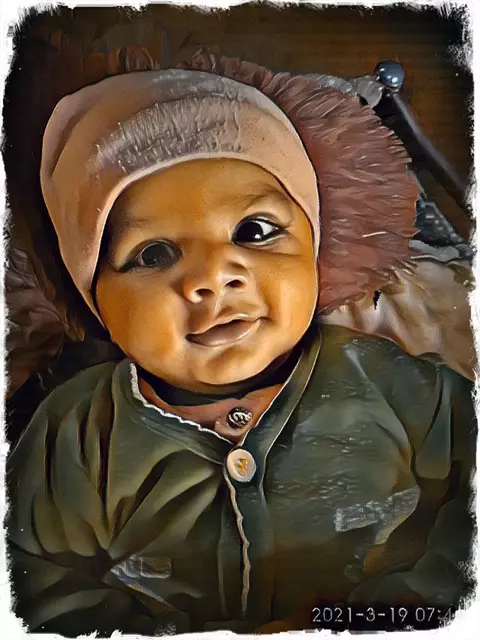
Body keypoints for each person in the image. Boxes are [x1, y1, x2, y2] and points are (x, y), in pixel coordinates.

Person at [6, 52, 476, 636]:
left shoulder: (407, 390)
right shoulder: (73, 436)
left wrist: (399, 606)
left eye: (254, 231)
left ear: (315, 252)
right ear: (93, 298)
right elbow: (40, 584)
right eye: (154, 254)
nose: (213, 277)